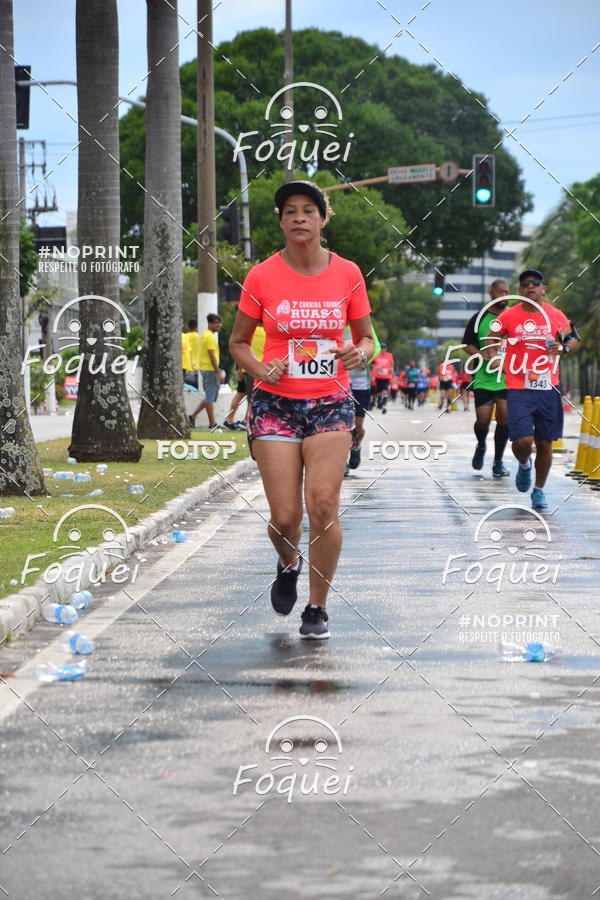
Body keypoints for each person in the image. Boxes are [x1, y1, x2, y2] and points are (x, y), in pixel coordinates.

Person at [229, 180, 373, 639]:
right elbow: (236, 343)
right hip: (275, 404)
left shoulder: (348, 273)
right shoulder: (261, 276)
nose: (298, 218)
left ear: (322, 219)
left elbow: (367, 337)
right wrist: (258, 366)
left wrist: (360, 353)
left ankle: (317, 607)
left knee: (324, 504)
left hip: (331, 402)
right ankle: (288, 562)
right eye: (289, 211)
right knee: (286, 518)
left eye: (308, 210)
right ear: (280, 220)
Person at [485, 268, 579, 508]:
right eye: (526, 284)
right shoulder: (508, 316)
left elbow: (573, 339)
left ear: (543, 288)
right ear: (520, 290)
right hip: (518, 387)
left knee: (545, 443)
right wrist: (495, 356)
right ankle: (524, 465)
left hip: (549, 387)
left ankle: (539, 490)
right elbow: (491, 338)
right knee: (523, 441)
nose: (530, 287)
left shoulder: (555, 315)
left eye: (535, 283)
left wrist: (564, 348)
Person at [462, 279, 511, 477]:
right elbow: (467, 344)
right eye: (500, 292)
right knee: (482, 420)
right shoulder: (479, 317)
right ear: (491, 293)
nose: (504, 295)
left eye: (507, 292)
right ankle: (481, 444)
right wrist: (482, 355)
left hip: (507, 377)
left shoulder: (513, 317)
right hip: (483, 376)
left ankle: (498, 461)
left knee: (504, 417)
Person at [344, 325, 381, 473]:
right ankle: (342, 462)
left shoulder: (360, 322)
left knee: (356, 428)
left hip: (359, 384)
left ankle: (356, 445)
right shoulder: (328, 320)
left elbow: (375, 347)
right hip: (337, 383)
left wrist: (365, 358)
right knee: (341, 426)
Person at [190, 313, 223, 429]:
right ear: (210, 324)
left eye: (219, 323)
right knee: (209, 397)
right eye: (216, 323)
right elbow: (211, 354)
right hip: (210, 370)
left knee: (209, 396)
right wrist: (218, 371)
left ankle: (193, 417)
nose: (219, 325)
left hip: (205, 369)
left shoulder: (204, 335)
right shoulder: (209, 337)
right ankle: (212, 423)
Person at [372, 342, 394, 413]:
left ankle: (383, 405)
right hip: (378, 376)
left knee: (384, 390)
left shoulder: (389, 355)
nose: (383, 350)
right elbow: (372, 365)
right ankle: (379, 400)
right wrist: (376, 367)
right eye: (381, 348)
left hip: (386, 376)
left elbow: (392, 365)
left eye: (384, 348)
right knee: (378, 392)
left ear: (386, 349)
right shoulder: (376, 355)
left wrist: (392, 371)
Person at [182, 318, 199, 389]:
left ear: (188, 326)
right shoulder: (200, 337)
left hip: (186, 367)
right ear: (197, 326)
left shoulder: (184, 337)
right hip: (197, 368)